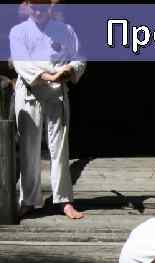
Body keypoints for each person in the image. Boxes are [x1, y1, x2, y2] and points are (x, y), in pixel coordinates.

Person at [10, 0, 86, 220]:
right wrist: (48, 76)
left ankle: (64, 200)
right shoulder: (19, 32)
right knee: (29, 148)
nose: (38, 11)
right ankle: (28, 200)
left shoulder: (65, 30)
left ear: (50, 7)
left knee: (59, 148)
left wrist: (69, 69)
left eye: (42, 7)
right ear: (27, 6)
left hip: (56, 94)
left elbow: (79, 57)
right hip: (30, 93)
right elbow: (22, 63)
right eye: (34, 6)